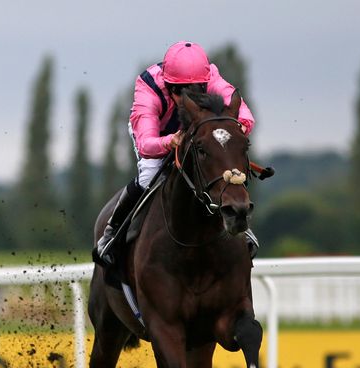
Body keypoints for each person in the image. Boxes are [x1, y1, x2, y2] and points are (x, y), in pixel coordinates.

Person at [96, 40, 259, 265]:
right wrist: (170, 141)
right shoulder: (148, 87)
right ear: (168, 86)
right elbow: (146, 143)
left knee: (216, 169)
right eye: (180, 92)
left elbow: (245, 116)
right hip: (159, 133)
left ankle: (240, 228)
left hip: (198, 131)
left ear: (205, 83)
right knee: (148, 177)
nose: (188, 98)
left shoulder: (211, 76)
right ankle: (112, 232)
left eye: (195, 91)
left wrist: (236, 129)